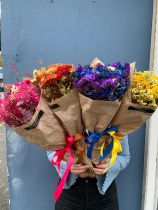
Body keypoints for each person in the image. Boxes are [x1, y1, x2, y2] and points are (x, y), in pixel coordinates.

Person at [47, 135, 130, 210]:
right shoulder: (64, 118)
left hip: (104, 193)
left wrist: (110, 165)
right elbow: (51, 152)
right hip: (70, 194)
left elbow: (124, 156)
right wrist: (67, 164)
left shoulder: (115, 119)